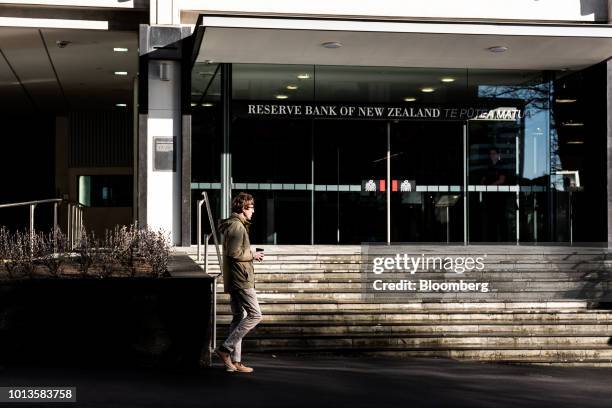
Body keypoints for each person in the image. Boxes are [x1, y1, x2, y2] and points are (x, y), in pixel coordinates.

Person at [215, 192, 264, 373]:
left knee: (238, 317)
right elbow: (234, 253)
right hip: (241, 279)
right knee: (255, 315)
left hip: (236, 278)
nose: (253, 211)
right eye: (251, 207)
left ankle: (235, 362)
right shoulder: (237, 227)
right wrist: (253, 254)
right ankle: (225, 349)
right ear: (243, 208)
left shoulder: (235, 225)